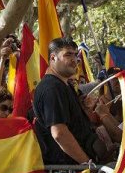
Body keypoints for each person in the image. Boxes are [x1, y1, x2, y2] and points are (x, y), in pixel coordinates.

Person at [33, 37, 107, 165]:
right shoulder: (52, 88)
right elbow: (59, 133)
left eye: (75, 54)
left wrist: (83, 108)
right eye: (68, 54)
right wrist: (87, 164)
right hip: (72, 172)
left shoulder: (64, 85)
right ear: (53, 58)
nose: (75, 60)